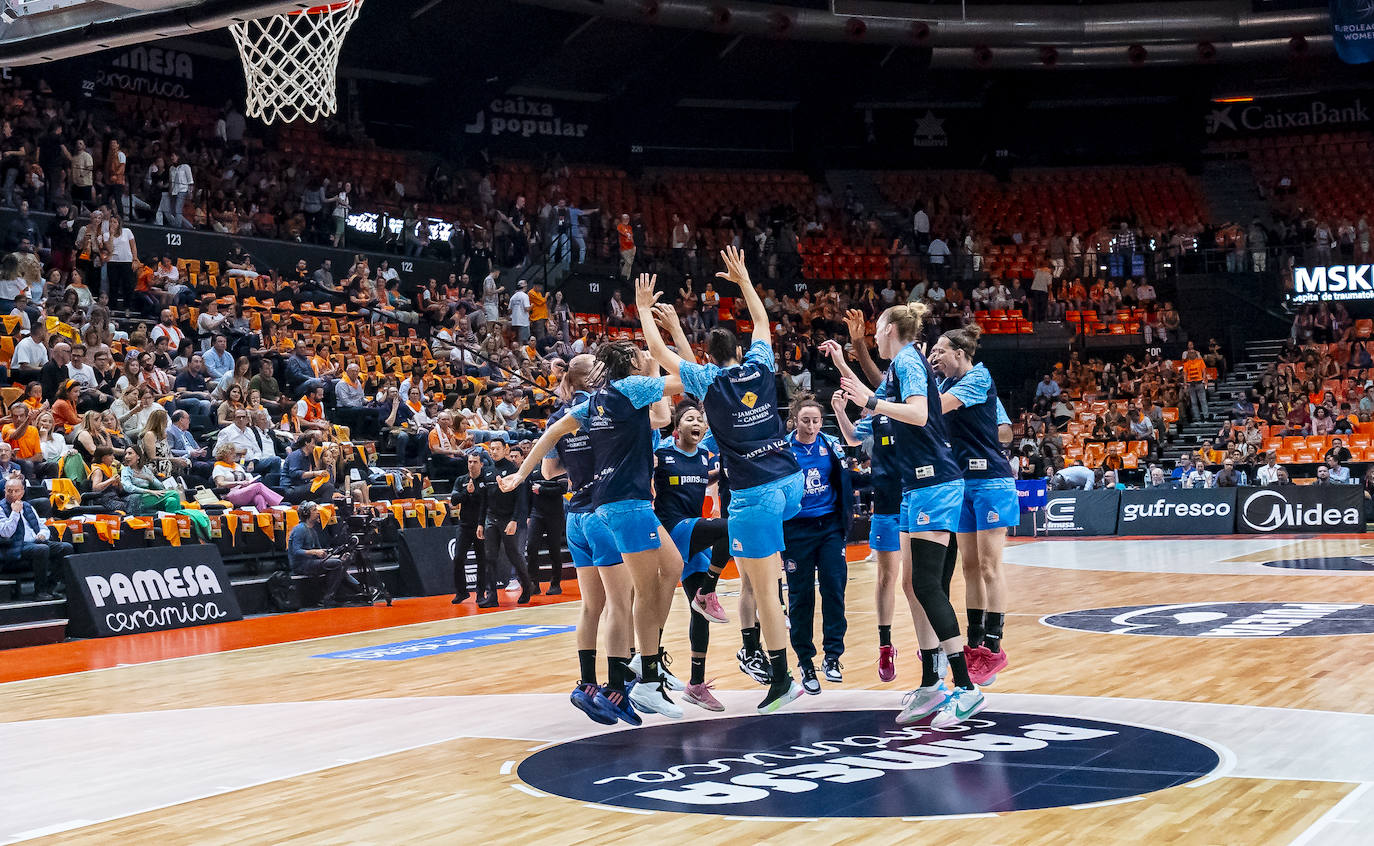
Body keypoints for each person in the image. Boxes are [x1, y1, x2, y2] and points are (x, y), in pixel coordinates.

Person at [635, 250, 805, 715]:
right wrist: (745, 281)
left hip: (756, 496)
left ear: (709, 358)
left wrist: (643, 309)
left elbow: (660, 355)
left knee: (762, 590)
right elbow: (764, 322)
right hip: (793, 482)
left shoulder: (709, 382)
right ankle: (716, 592)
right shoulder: (762, 364)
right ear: (740, 349)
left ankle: (782, 677)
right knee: (753, 573)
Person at [502, 333, 688, 719]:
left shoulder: (570, 413)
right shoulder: (626, 397)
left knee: (594, 606)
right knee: (628, 601)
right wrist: (656, 358)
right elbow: (666, 413)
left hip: (579, 512)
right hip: (615, 507)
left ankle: (590, 682)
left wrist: (520, 475)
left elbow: (551, 466)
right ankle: (627, 682)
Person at [832, 299, 984, 729]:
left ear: (890, 329)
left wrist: (873, 403)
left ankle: (966, 686)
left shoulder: (909, 360)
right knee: (911, 585)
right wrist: (849, 367)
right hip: (914, 487)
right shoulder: (899, 367)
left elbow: (916, 414)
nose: (874, 338)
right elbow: (868, 411)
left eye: (876, 331)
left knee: (925, 583)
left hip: (935, 481)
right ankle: (932, 682)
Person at [930, 324, 1017, 688]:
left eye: (939, 350)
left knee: (988, 565)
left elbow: (932, 410)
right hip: (960, 482)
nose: (934, 356)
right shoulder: (944, 385)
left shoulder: (979, 378)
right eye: (931, 351)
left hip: (992, 482)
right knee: (967, 567)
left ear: (960, 354)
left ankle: (994, 646)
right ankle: (974, 641)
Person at [830, 308, 914, 684]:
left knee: (916, 582)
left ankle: (931, 647)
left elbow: (872, 387)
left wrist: (855, 347)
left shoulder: (911, 407)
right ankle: (885, 645)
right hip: (886, 503)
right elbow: (852, 435)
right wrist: (841, 361)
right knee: (885, 578)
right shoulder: (880, 411)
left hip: (916, 498)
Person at [653, 401, 738, 712]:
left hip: (692, 534)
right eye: (690, 417)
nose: (696, 421)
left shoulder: (704, 455)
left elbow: (703, 478)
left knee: (699, 614)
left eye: (700, 419)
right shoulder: (662, 452)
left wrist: (722, 474)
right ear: (677, 427)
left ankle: (696, 684)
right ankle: (648, 662)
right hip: (672, 530)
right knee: (730, 527)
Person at [782, 394, 852, 694]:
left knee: (834, 587)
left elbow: (846, 477)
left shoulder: (831, 445)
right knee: (801, 597)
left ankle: (833, 656)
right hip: (796, 529)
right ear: (794, 421)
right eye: (805, 421)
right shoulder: (783, 449)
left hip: (830, 528)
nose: (811, 426)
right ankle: (806, 661)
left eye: (816, 421)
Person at [287, 502, 377, 607]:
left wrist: (335, 556)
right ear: (307, 514)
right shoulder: (300, 529)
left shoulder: (312, 530)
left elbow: (320, 552)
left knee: (343, 561)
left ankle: (357, 590)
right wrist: (315, 552)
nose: (318, 512)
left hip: (311, 562)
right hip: (301, 565)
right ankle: (329, 597)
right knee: (338, 564)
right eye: (314, 510)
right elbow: (296, 551)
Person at [481, 438, 534, 606]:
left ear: (505, 449)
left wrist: (515, 520)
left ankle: (527, 586)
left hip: (508, 519)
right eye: (491, 448)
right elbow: (484, 500)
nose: (493, 451)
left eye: (497, 448)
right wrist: (480, 523)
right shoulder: (487, 471)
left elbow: (521, 499)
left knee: (514, 555)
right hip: (491, 518)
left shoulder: (515, 470)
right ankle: (491, 596)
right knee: (489, 557)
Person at [0, 476, 71, 600]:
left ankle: (51, 586)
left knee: (66, 548)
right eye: (9, 491)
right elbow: (6, 533)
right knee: (41, 549)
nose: (12, 494)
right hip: (15, 546)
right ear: (4, 491)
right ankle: (40, 591)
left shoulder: (28, 506)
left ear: (22, 492)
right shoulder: (1, 508)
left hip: (35, 541)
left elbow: (42, 526)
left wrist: (43, 534)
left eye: (16, 491)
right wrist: (15, 513)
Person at [448, 452, 489, 606]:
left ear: (481, 464)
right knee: (458, 558)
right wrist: (467, 493)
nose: (472, 464)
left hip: (481, 525)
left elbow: (486, 500)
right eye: (470, 462)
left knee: (482, 560)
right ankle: (461, 592)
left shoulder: (486, 479)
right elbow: (454, 499)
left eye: (475, 462)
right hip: (464, 525)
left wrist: (474, 493)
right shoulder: (461, 480)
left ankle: (480, 593)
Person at [211, 442, 284, 510]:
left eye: (234, 453)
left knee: (259, 497)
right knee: (258, 486)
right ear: (224, 455)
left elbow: (246, 477)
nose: (234, 455)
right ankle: (278, 506)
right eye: (231, 453)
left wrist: (250, 481)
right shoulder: (219, 467)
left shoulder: (237, 466)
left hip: (243, 491)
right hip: (229, 495)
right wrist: (238, 483)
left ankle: (264, 519)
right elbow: (220, 483)